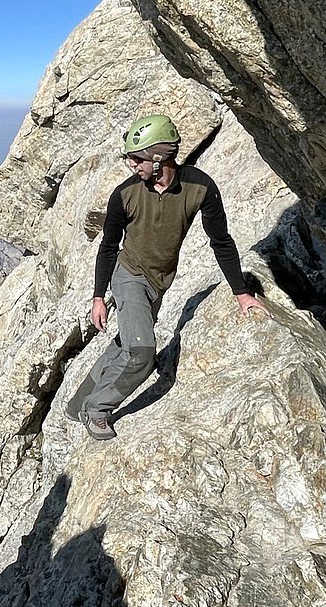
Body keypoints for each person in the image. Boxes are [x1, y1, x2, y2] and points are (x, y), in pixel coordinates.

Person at [66, 113, 267, 440]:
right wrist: (98, 297)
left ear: (159, 158)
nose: (132, 165)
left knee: (125, 345)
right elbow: (107, 247)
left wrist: (241, 291)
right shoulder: (125, 194)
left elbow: (221, 241)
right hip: (128, 276)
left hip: (159, 282)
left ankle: (77, 404)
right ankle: (97, 410)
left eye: (137, 158)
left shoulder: (200, 188)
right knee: (143, 354)